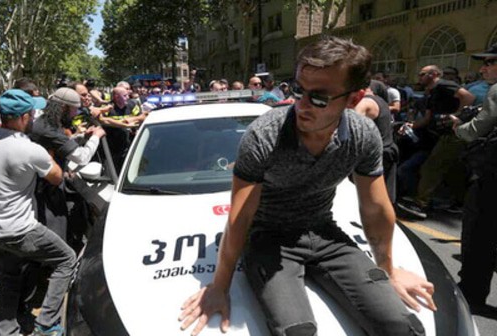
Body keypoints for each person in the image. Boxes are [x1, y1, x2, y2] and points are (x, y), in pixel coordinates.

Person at [179, 36, 435, 336]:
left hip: (325, 234)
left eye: (318, 98)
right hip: (268, 239)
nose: (301, 105)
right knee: (296, 330)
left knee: (401, 325)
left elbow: (376, 208)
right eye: (299, 90)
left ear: (353, 99)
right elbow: (240, 218)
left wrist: (388, 270)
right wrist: (219, 286)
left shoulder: (362, 134)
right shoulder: (265, 135)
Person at [0, 89, 76, 336]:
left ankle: (7, 331)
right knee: (66, 259)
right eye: (31, 114)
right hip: (19, 229)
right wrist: (49, 157)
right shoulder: (28, 148)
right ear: (22, 117)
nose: (33, 118)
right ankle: (47, 324)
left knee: (9, 275)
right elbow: (56, 177)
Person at [451, 43, 497, 312]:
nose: (484, 68)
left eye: (490, 62)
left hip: (491, 177)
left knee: (480, 235)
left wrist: (459, 128)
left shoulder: (496, 91)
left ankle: (471, 294)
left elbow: (477, 129)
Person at [396, 65, 474, 219]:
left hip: (452, 134)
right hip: (443, 134)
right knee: (453, 169)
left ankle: (420, 204)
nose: (419, 77)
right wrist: (411, 125)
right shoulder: (431, 93)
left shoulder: (443, 84)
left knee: (431, 167)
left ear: (435, 74)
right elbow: (427, 118)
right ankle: (462, 202)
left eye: (422, 74)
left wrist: (457, 116)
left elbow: (469, 98)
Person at [29, 87, 106, 241]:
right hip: (45, 192)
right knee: (57, 237)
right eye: (74, 110)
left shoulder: (48, 123)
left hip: (50, 187)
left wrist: (83, 136)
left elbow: (62, 144)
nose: (76, 114)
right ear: (64, 108)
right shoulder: (47, 129)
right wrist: (95, 137)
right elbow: (81, 157)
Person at [355, 80, 398, 203]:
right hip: (388, 150)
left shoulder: (365, 103)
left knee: (370, 196)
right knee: (386, 193)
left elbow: (351, 126)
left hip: (377, 155)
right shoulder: (381, 101)